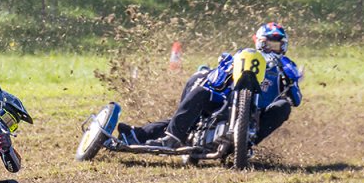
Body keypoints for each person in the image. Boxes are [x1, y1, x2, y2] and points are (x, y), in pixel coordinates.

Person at [117, 22, 302, 149]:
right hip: (224, 104)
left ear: (283, 46)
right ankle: (160, 137)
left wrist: (289, 80)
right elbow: (215, 81)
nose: (273, 49)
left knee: (283, 106)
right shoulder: (242, 56)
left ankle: (247, 144)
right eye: (269, 44)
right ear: (260, 43)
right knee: (200, 93)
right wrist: (227, 70)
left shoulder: (287, 66)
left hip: (258, 114)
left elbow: (296, 99)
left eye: (277, 45)